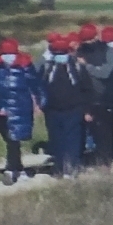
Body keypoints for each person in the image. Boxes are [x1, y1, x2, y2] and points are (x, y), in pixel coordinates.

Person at [0, 38, 46, 185]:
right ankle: (17, 169)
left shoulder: (26, 66)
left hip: (20, 109)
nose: (7, 57)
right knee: (11, 139)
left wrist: (41, 102)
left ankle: (11, 170)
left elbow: (36, 85)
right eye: (5, 53)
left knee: (13, 139)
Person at [38, 33, 95, 178]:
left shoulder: (77, 67)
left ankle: (71, 168)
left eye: (62, 53)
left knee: (73, 140)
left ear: (68, 52)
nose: (59, 56)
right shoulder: (46, 69)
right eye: (56, 53)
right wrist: (39, 104)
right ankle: (59, 168)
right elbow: (39, 87)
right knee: (56, 140)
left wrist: (87, 110)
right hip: (52, 110)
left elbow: (87, 89)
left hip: (74, 109)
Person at [77, 25, 113, 164]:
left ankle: (106, 159)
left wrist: (87, 66)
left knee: (104, 130)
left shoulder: (108, 50)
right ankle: (91, 157)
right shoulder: (80, 51)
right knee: (89, 130)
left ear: (95, 37)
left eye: (89, 39)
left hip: (104, 95)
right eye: (85, 40)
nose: (87, 43)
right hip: (85, 96)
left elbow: (106, 72)